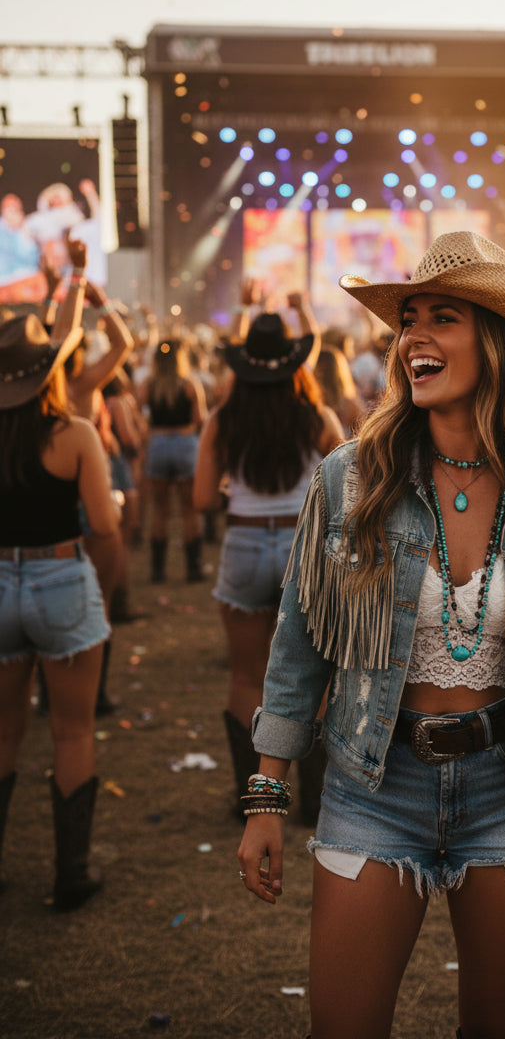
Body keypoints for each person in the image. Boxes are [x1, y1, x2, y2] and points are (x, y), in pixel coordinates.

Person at [238, 232, 505, 1039]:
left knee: (500, 1025)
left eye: (440, 318)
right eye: (407, 319)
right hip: (371, 786)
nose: (412, 338)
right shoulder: (349, 480)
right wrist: (268, 794)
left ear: (498, 340)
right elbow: (298, 646)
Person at [194, 308, 342, 824]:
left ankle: (248, 794)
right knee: (317, 676)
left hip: (244, 544)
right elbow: (348, 483)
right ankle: (315, 799)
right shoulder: (315, 417)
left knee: (245, 676)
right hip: (303, 551)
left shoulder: (223, 420)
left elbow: (201, 500)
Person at [0, 313, 119, 908]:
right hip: (60, 576)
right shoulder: (72, 433)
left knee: (2, 734)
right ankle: (70, 871)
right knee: (71, 732)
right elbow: (104, 524)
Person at [139, 339, 207, 583]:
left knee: (160, 510)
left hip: (158, 444)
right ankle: (193, 569)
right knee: (189, 510)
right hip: (185, 443)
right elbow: (201, 418)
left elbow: (138, 414)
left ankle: (158, 571)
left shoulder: (149, 385)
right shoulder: (189, 384)